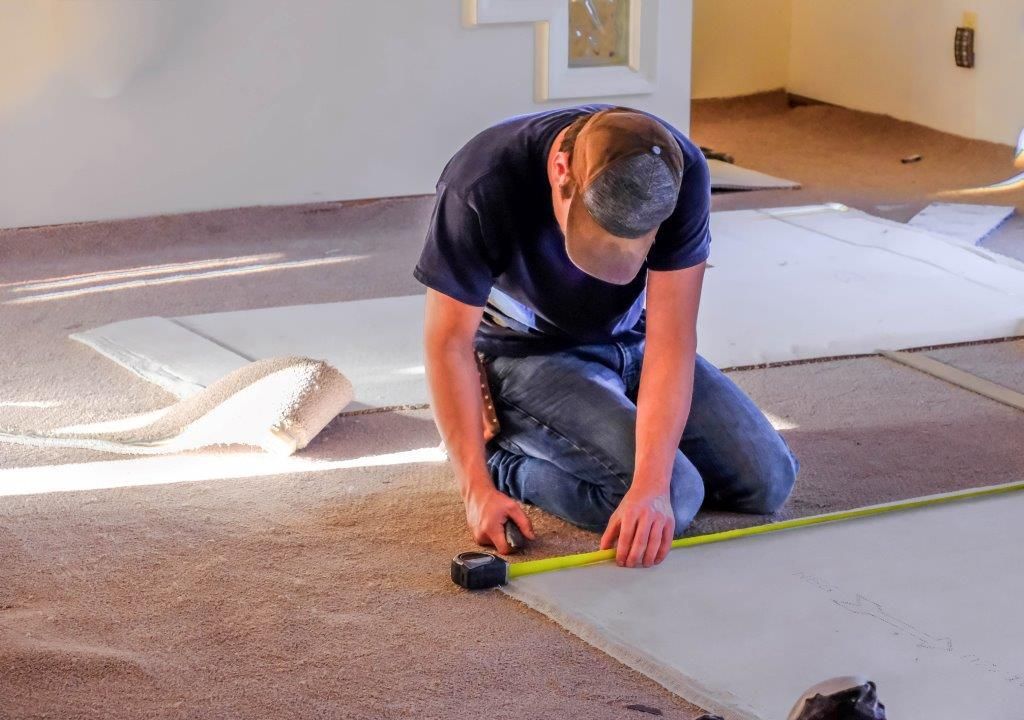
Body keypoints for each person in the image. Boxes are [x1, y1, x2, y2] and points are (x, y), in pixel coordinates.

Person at [416, 105, 798, 568]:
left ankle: (612, 445)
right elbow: (448, 343)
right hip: (526, 358)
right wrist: (474, 486)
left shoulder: (681, 173)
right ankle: (504, 463)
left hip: (631, 341)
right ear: (561, 172)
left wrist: (650, 486)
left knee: (766, 482)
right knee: (680, 497)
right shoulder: (480, 183)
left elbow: (671, 340)